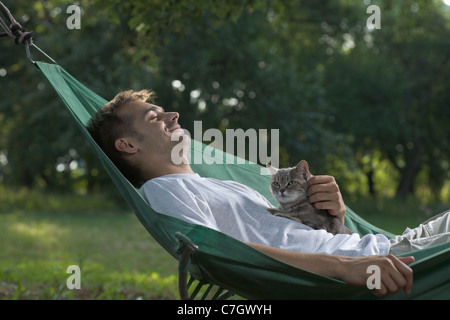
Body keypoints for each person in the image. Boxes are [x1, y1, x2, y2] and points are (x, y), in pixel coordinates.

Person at [87, 89, 450, 297]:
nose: (172, 115)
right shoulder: (164, 192)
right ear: (127, 144)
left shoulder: (219, 184)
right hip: (393, 264)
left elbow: (299, 242)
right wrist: (344, 266)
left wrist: (336, 216)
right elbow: (220, 254)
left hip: (385, 249)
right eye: (154, 117)